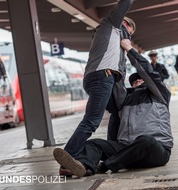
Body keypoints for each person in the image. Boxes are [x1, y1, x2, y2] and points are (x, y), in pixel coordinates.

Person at [53, 39, 173, 177]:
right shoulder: (123, 100)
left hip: (155, 150)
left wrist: (129, 49)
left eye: (141, 79)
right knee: (94, 144)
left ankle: (105, 166)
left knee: (146, 140)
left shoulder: (160, 94)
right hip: (125, 151)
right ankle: (82, 166)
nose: (138, 81)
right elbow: (116, 82)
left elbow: (148, 72)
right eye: (134, 80)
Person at [53, 0, 137, 175]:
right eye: (130, 33)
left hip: (102, 77)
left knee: (117, 111)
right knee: (92, 120)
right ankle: (68, 157)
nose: (129, 37)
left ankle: (112, 153)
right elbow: (124, 4)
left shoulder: (114, 43)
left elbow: (121, 74)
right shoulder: (112, 25)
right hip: (102, 76)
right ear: (125, 24)